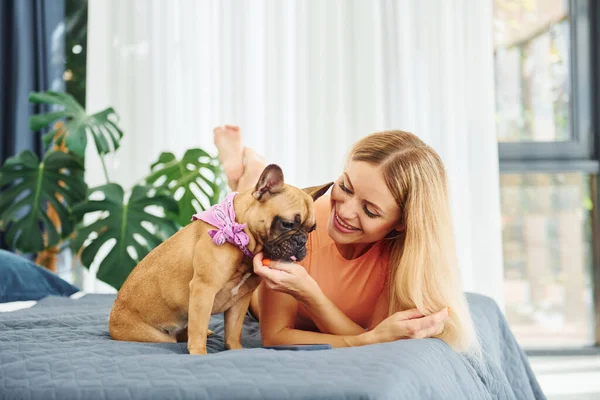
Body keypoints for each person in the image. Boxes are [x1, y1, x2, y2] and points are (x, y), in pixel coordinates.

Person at [213, 125, 478, 352]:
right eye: (345, 187)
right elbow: (276, 335)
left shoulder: (402, 258)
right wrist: (310, 293)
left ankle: (245, 174)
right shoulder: (301, 226)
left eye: (370, 210)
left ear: (400, 223)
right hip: (259, 301)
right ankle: (241, 175)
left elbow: (372, 336)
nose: (345, 211)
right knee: (247, 214)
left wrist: (369, 335)